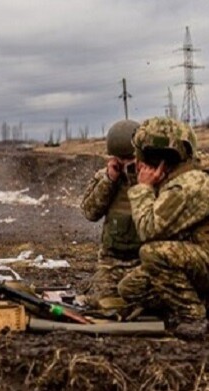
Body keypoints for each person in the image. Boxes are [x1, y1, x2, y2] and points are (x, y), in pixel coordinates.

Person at [117, 117, 209, 338]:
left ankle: (193, 315)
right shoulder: (184, 171)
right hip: (203, 254)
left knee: (153, 254)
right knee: (130, 289)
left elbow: (148, 230)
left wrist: (143, 188)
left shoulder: (189, 185)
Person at [79, 119, 142, 311]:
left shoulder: (153, 177)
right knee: (103, 303)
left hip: (144, 260)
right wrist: (109, 180)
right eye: (120, 159)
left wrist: (138, 179)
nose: (125, 164)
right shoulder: (104, 177)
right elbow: (89, 212)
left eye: (129, 158)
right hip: (112, 262)